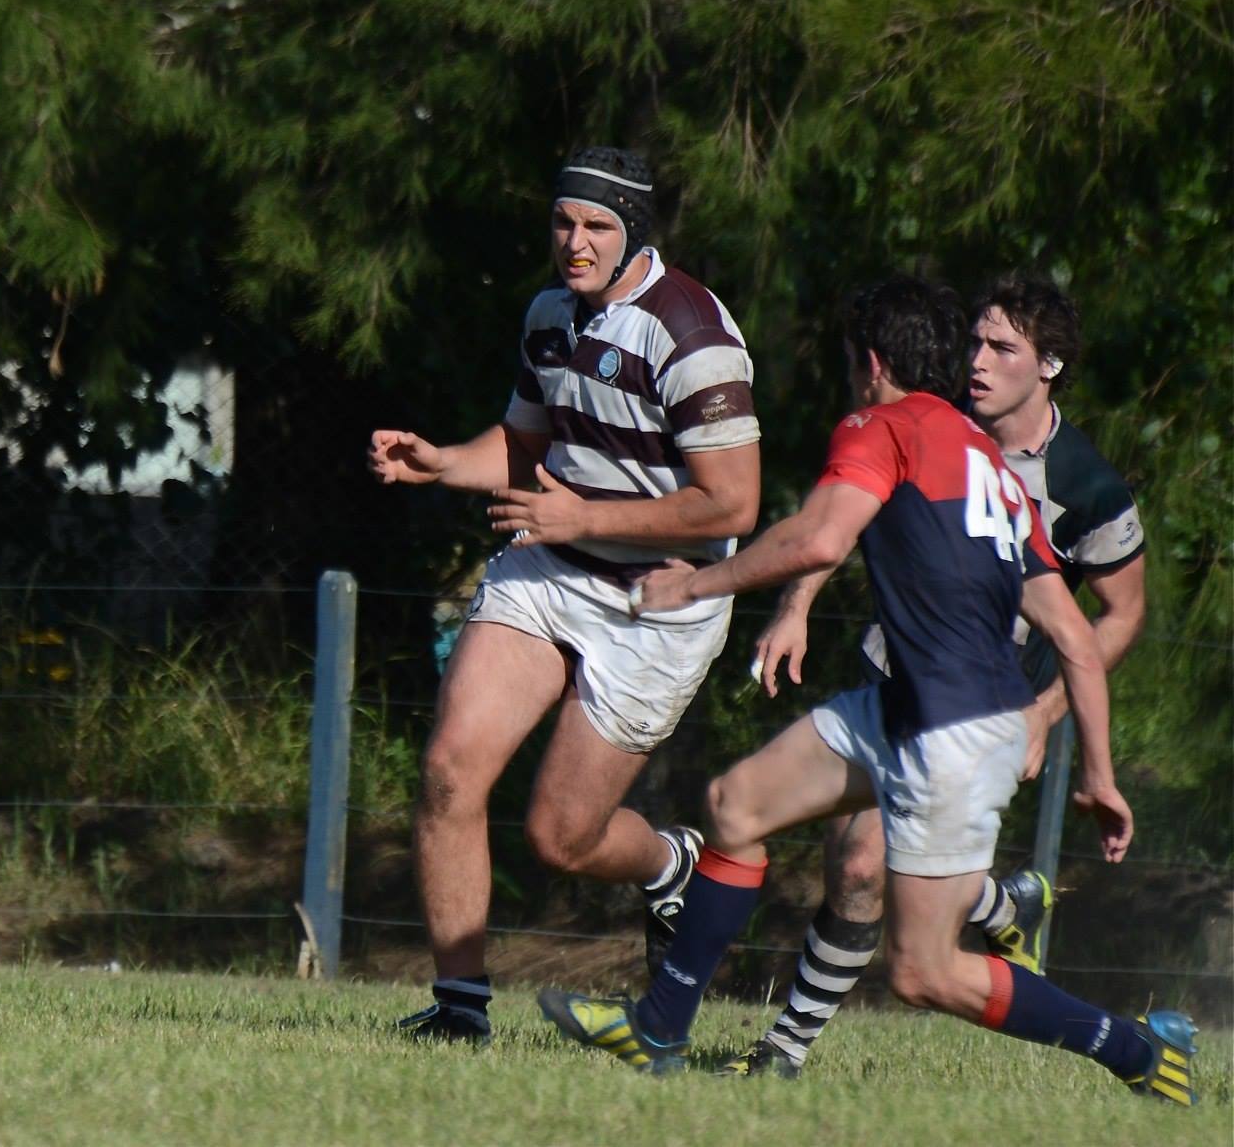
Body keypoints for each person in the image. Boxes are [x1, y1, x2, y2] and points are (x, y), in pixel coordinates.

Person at [540, 276, 1196, 1107]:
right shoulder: (983, 458)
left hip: (954, 731)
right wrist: (1098, 773)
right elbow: (1072, 636)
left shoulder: (881, 423)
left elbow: (818, 535)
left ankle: (1139, 1050)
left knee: (923, 973)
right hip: (908, 706)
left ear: (872, 363)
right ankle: (658, 1027)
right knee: (736, 803)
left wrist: (698, 585)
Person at [369, 147, 760, 1041]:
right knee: (448, 769)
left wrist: (582, 515)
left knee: (561, 837)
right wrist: (440, 464)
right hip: (553, 565)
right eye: (563, 223)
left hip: (661, 598)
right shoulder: (550, 313)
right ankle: (461, 1010)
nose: (574, 244)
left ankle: (669, 865)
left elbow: (731, 502)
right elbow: (520, 445)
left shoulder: (690, 333)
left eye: (596, 228)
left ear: (634, 235)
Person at [722, 275, 1147, 1078]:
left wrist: (1047, 713)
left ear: (1048, 364)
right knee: (843, 861)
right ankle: (998, 902)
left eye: (1001, 348)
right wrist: (797, 603)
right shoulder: (925, 414)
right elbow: (837, 515)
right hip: (894, 672)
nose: (976, 363)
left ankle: (782, 1050)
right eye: (974, 343)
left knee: (869, 880)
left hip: (973, 707)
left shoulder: (1087, 483)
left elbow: (1117, 614)